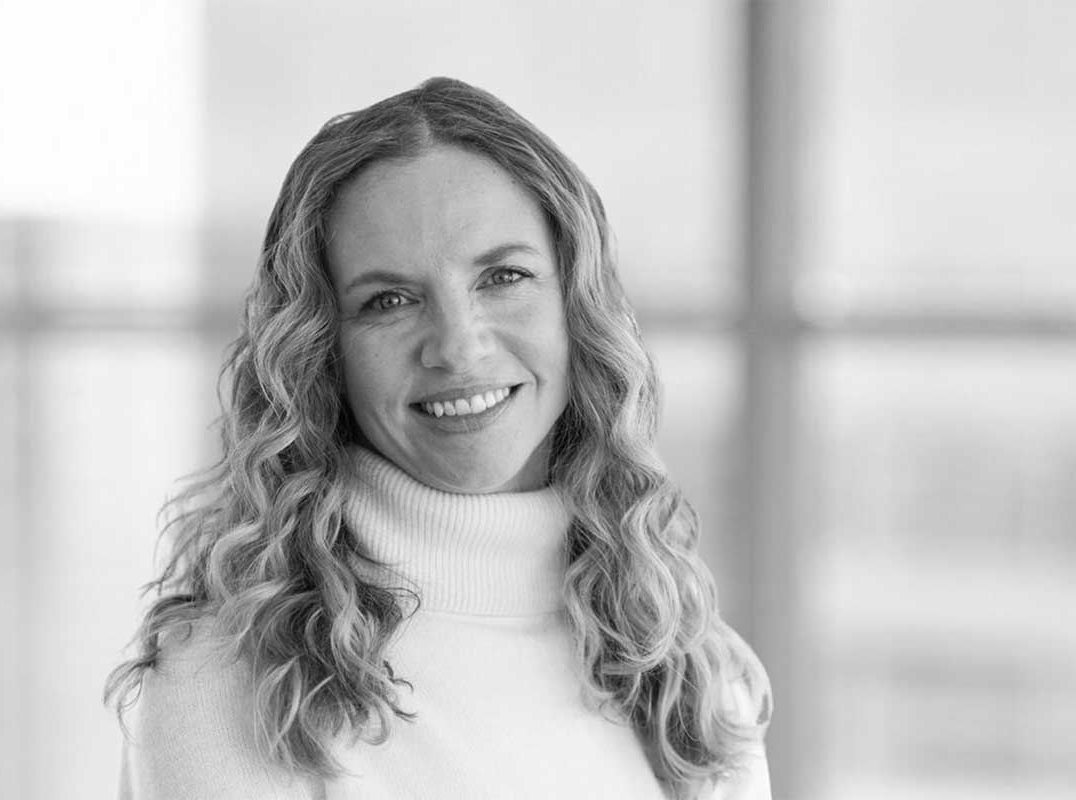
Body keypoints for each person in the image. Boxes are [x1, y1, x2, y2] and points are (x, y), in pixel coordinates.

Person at [105, 76, 772, 800]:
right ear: (324, 351)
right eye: (388, 300)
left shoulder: (690, 668)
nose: (457, 347)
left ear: (577, 305)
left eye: (503, 276)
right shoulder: (231, 683)